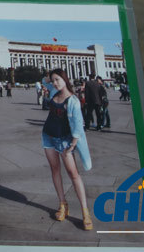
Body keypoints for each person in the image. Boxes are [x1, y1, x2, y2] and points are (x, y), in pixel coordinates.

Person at [40, 69, 93, 230]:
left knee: (73, 174)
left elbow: (78, 125)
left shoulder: (73, 101)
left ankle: (85, 211)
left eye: (58, 79)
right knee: (55, 169)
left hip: (65, 141)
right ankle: (63, 204)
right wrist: (49, 77)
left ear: (65, 79)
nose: (55, 83)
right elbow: (43, 81)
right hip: (48, 136)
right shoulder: (54, 90)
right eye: (53, 80)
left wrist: (73, 144)